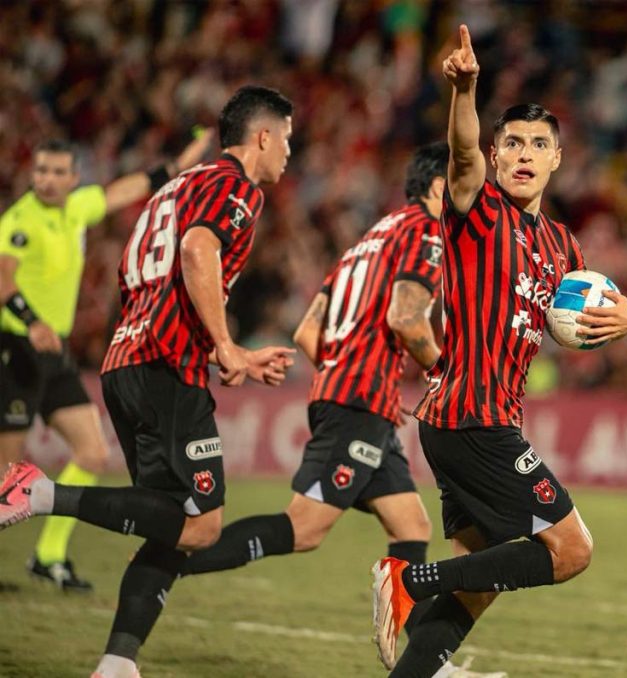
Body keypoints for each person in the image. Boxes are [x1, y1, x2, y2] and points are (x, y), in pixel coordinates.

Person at [371, 25, 627, 677]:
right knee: (571, 550)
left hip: (478, 420)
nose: (524, 154)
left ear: (557, 159)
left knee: (483, 576)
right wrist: (464, 92)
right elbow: (461, 151)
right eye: (513, 143)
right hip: (473, 419)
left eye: (539, 144)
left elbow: (585, 317)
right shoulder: (476, 207)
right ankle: (408, 579)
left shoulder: (563, 246)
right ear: (495, 156)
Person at [0, 85, 296, 678]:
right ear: (263, 136)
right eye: (287, 138)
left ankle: (117, 663)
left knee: (172, 525)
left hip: (129, 359)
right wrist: (225, 344)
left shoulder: (172, 190)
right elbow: (196, 250)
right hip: (164, 368)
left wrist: (223, 351)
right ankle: (43, 494)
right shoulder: (237, 187)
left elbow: (147, 276)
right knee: (203, 524)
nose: (290, 151)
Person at [177, 140, 501, 678]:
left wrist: (354, 378)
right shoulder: (427, 232)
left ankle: (429, 666)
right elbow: (406, 320)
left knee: (411, 524)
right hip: (358, 402)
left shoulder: (366, 242)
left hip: (353, 396)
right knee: (304, 529)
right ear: (437, 186)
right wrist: (448, 376)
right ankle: (172, 561)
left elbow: (308, 333)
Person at [0, 132, 212, 591]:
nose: (48, 179)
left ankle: (48, 555)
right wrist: (31, 321)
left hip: (54, 356)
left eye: (58, 172)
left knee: (93, 452)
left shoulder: (78, 208)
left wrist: (186, 156)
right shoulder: (19, 219)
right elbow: (3, 280)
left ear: (74, 177)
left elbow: (135, 185)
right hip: (14, 351)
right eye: (41, 170)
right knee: (6, 474)